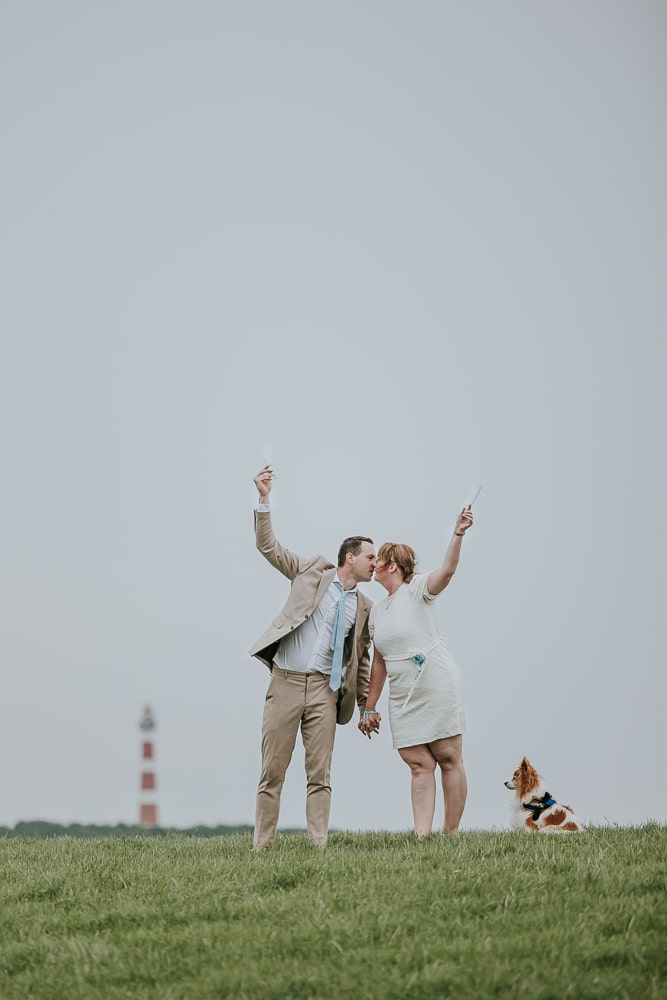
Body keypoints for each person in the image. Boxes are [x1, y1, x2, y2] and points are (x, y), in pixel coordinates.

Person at [248, 465, 376, 851]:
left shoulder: (365, 606)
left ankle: (318, 844)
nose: (375, 561)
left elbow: (363, 661)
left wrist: (366, 706)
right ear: (349, 558)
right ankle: (262, 846)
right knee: (272, 771)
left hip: (325, 690)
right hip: (285, 683)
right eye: (370, 556)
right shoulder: (308, 572)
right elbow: (268, 548)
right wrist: (264, 499)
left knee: (320, 773)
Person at [360, 504, 474, 837]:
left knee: (448, 758)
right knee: (417, 762)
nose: (374, 566)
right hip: (402, 693)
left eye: (377, 561)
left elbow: (448, 571)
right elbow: (379, 660)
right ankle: (421, 835)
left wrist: (458, 532)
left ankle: (449, 833)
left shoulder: (419, 589)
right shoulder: (378, 612)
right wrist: (370, 706)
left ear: (391, 566)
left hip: (436, 683)